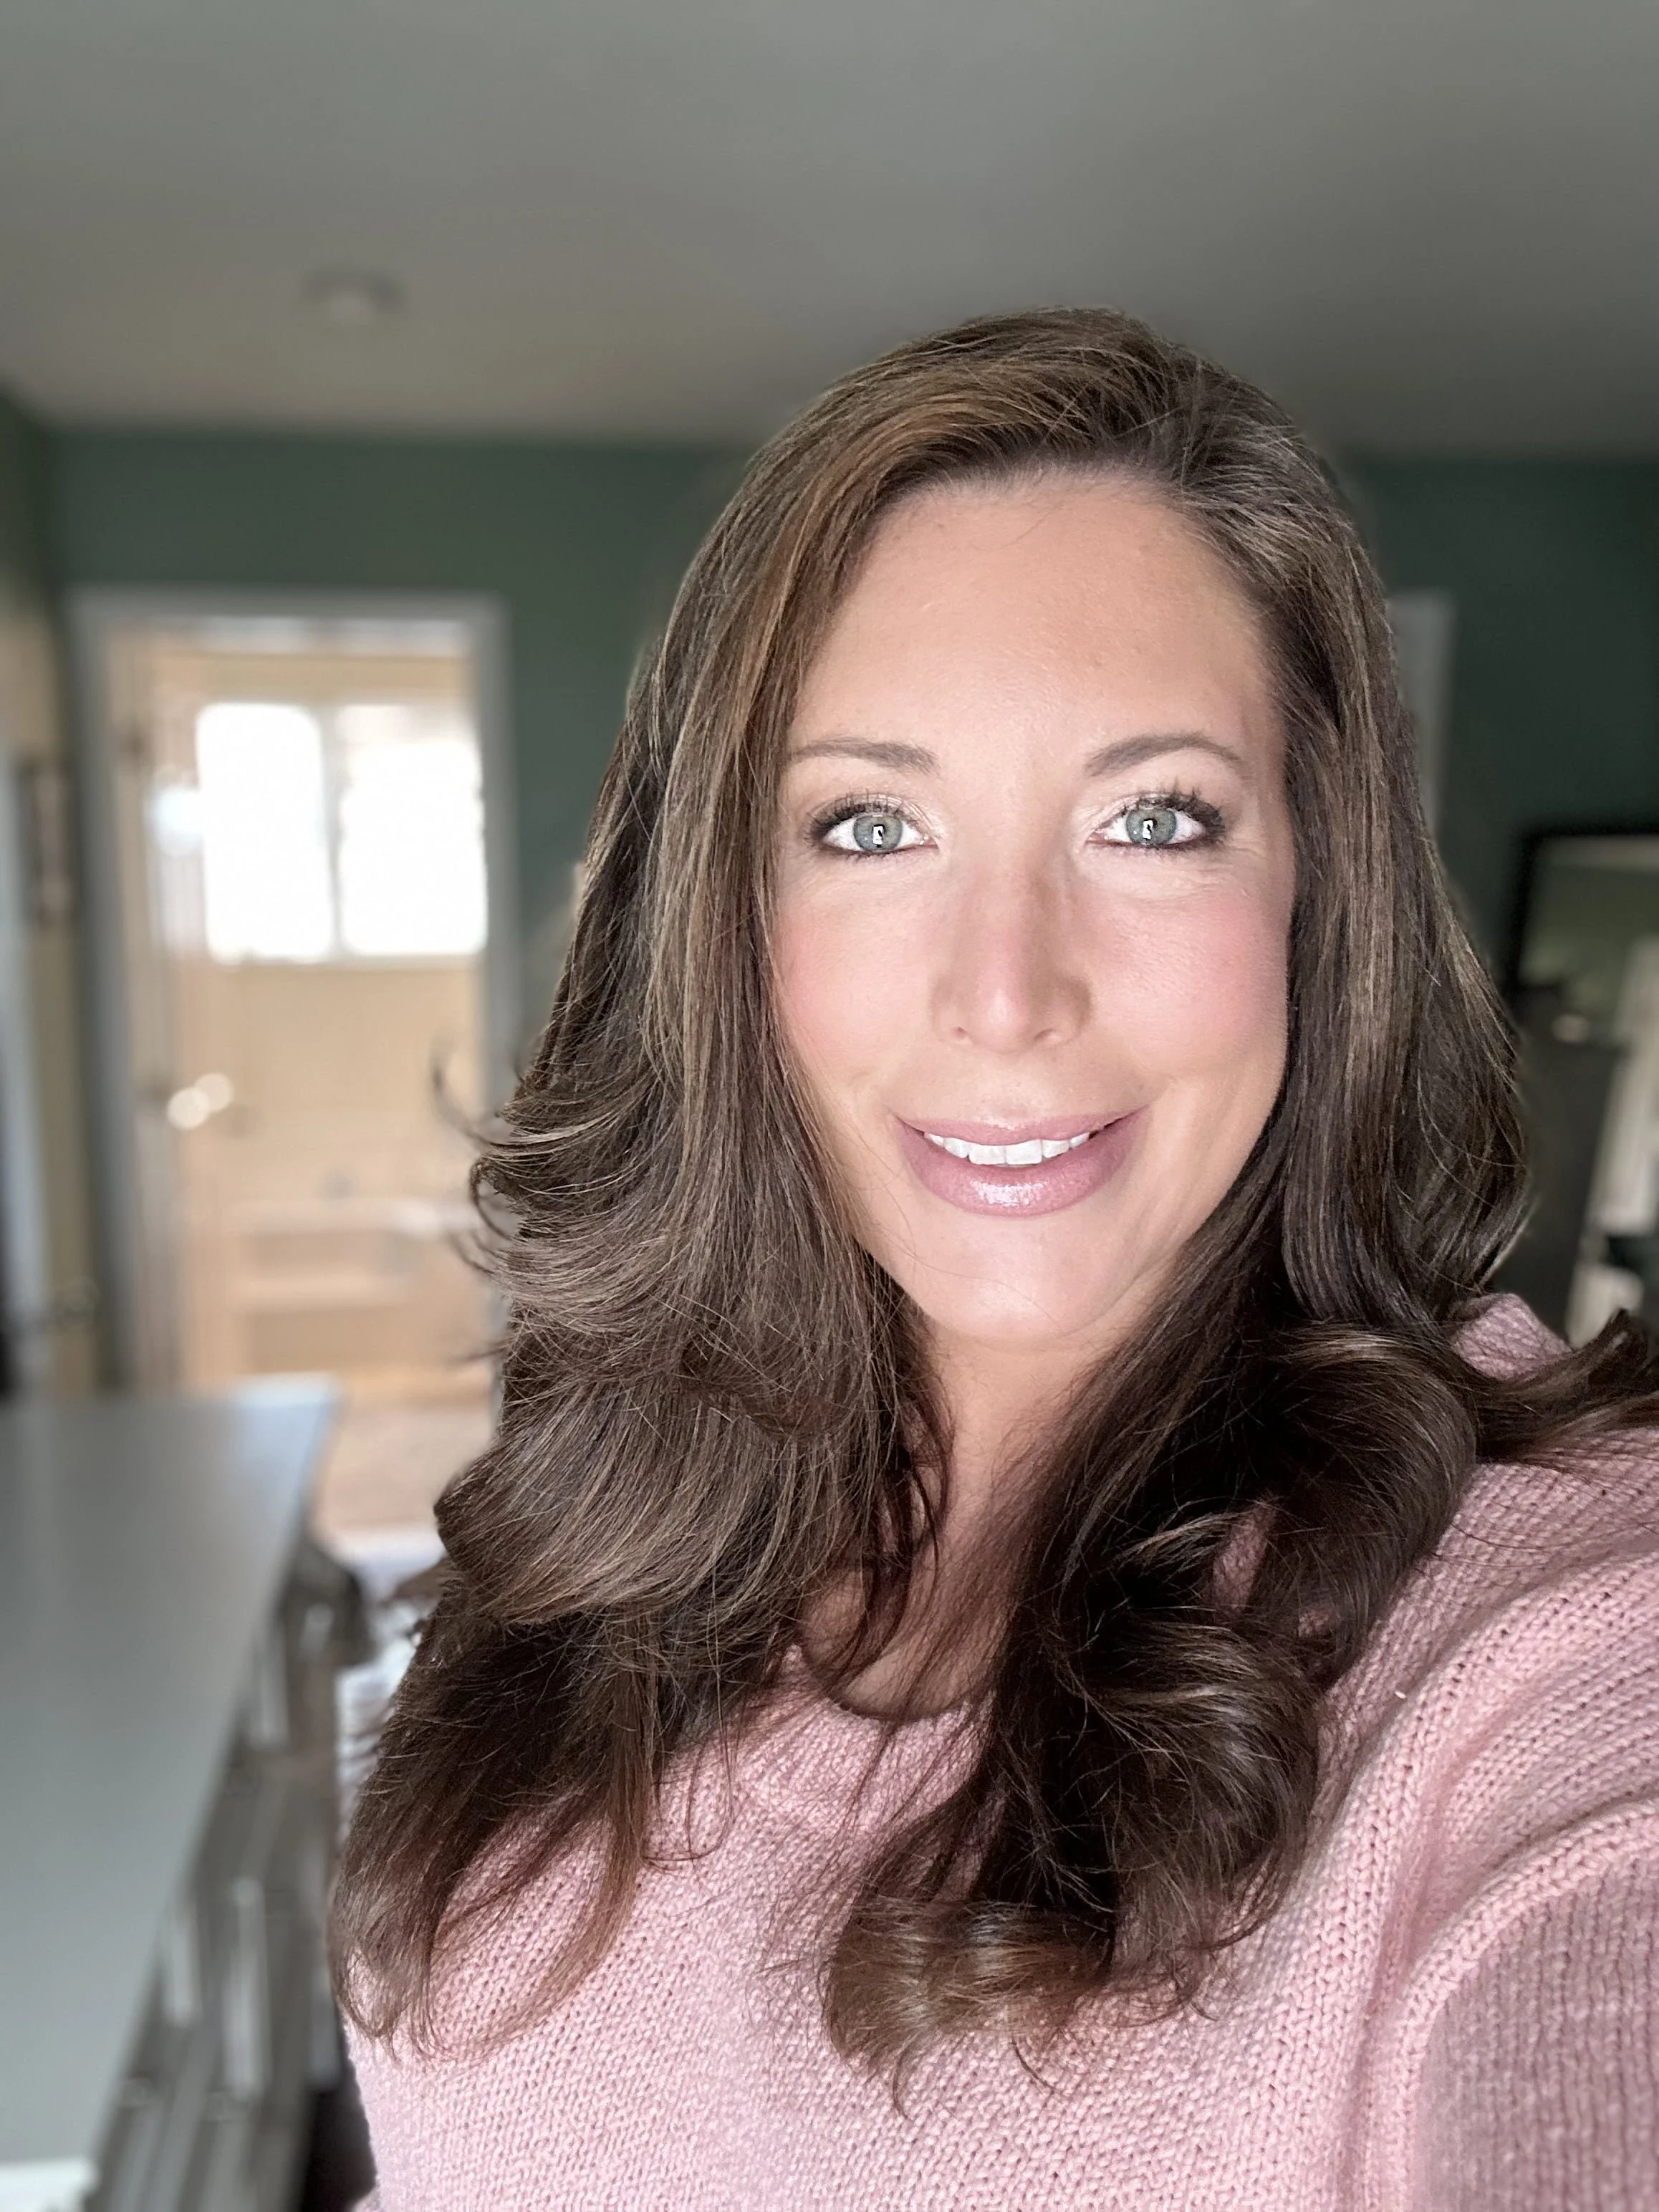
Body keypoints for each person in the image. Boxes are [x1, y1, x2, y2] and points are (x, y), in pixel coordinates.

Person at [335, 309, 1659, 2208]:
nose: (1009, 994)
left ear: (1317, 890)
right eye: (871, 824)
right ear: (719, 917)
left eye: (1153, 819)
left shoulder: (1559, 1648)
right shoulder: (613, 1521)